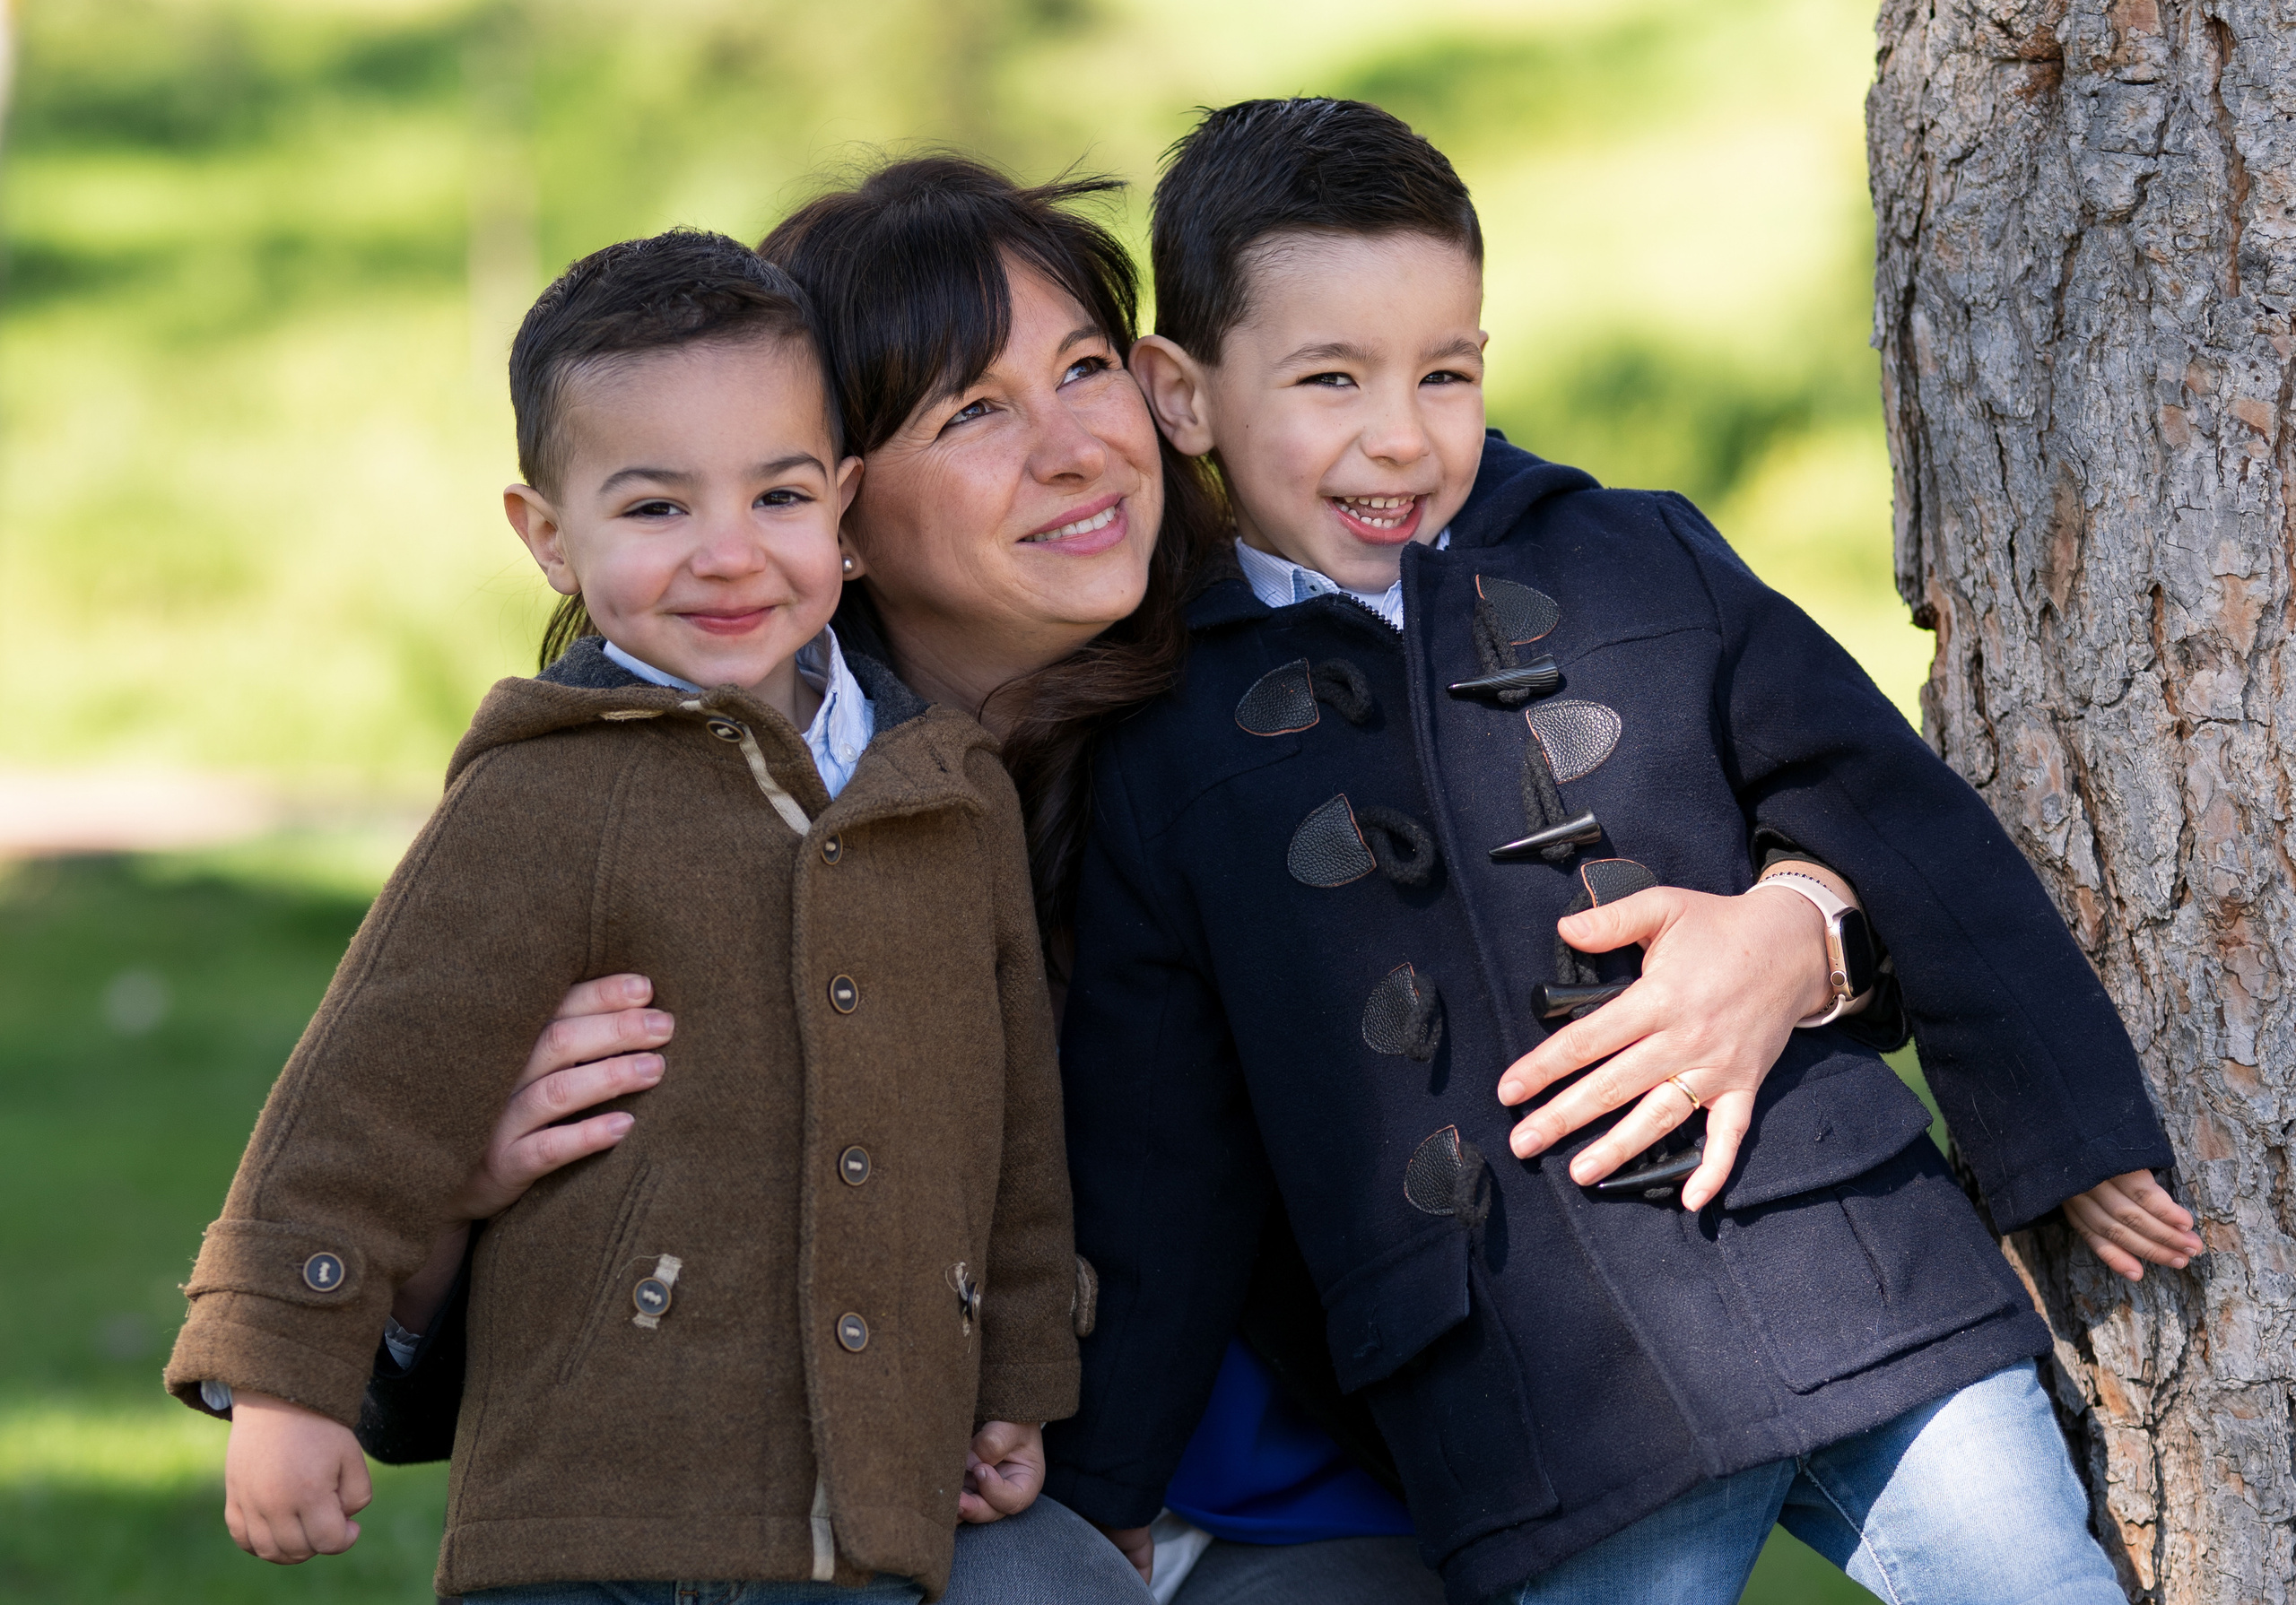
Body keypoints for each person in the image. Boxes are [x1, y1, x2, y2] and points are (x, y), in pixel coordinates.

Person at [361, 158, 2010, 1605]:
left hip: (1344, 1503)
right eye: (977, 412)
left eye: (1088, 369)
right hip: (956, 1514)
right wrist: (463, 1190)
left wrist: (1807, 930)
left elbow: (1703, 715)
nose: (1080, 445)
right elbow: (387, 1278)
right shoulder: (698, 804)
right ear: (840, 501)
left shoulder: (1305, 644)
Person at [1045, 97, 2204, 1605]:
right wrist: (1105, 1482)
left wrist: (2071, 1134)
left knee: (2044, 1583)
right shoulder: (1167, 750)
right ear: (1180, 396)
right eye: (1331, 378)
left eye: (1446, 373)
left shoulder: (1630, 556)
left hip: (1854, 1268)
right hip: (1530, 1399)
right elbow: (1160, 1146)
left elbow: (1897, 818)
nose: (1401, 433)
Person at [161, 230, 1094, 1604]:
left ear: (840, 510)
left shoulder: (946, 791)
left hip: (863, 1525)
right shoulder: (546, 790)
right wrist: (286, 1377)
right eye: (656, 510)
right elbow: (368, 1089)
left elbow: (1009, 1128)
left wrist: (1014, 1372)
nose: (728, 555)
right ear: (550, 536)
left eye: (777, 496)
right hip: (590, 1517)